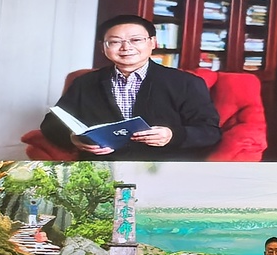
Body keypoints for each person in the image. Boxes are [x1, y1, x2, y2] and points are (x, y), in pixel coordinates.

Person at [38, 14, 222, 161]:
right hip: (103, 168)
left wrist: (172, 135)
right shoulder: (84, 83)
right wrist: (73, 138)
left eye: (136, 40)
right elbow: (51, 125)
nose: (126, 47)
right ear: (103, 47)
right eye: (115, 42)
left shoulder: (186, 83)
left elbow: (210, 132)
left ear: (153, 43)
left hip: (163, 165)